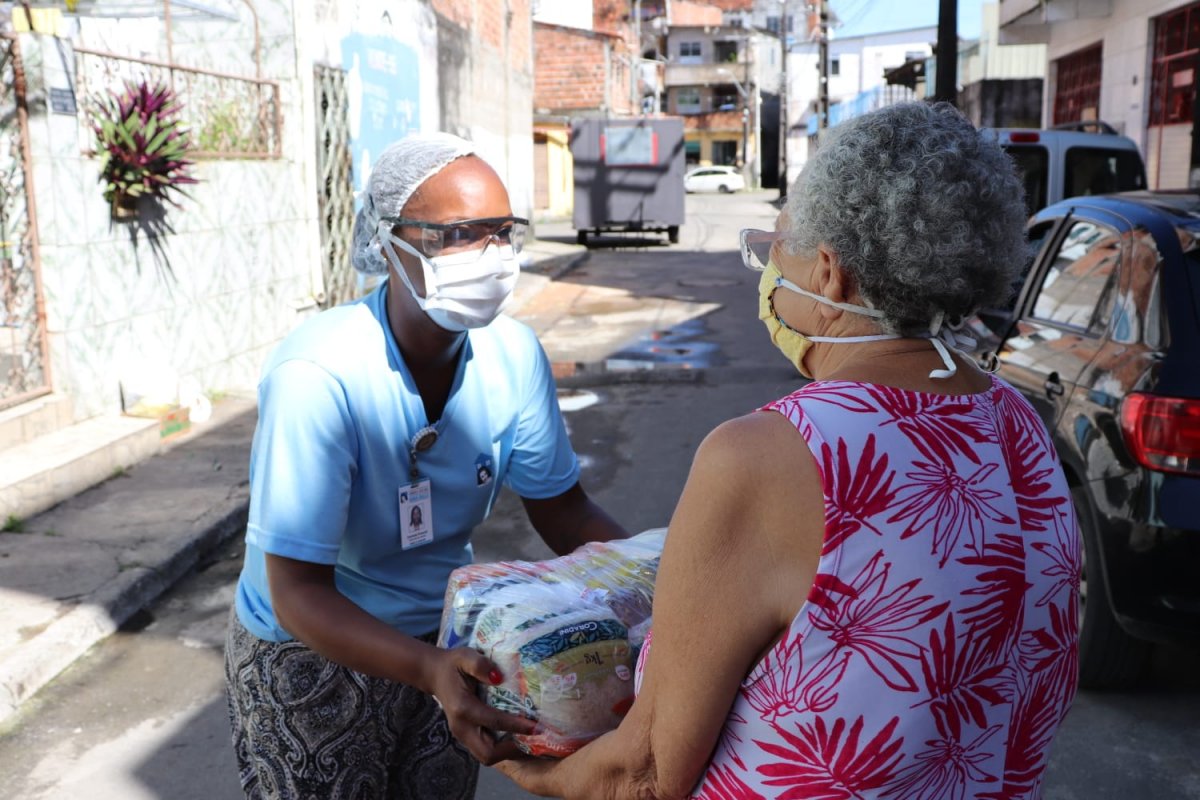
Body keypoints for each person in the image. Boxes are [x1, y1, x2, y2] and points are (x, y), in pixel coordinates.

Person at [498, 102, 1081, 798]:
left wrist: (515, 763)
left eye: (776, 246)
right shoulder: (1016, 421)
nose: (768, 270)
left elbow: (647, 772)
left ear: (830, 272)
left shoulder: (774, 454)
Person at [223, 132, 628, 799]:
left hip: (449, 641)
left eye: (502, 232)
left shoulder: (512, 355)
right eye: (457, 235)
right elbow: (297, 591)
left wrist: (664, 577)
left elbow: (563, 509)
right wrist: (429, 668)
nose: (491, 255)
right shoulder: (318, 375)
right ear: (388, 243)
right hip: (314, 652)